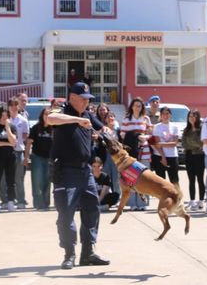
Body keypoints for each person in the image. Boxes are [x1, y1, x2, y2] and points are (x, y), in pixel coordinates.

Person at [47, 81, 110, 270]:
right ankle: (69, 254)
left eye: (88, 99)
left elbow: (101, 128)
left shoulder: (88, 114)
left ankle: (88, 253)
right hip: (65, 171)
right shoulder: (62, 110)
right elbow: (50, 119)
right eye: (82, 99)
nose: (86, 103)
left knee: (92, 210)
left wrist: (105, 130)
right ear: (72, 98)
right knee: (66, 212)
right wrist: (76, 120)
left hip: (85, 172)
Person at [120, 97, 152, 210]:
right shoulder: (126, 119)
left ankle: (143, 203)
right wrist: (136, 136)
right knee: (132, 177)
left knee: (145, 178)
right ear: (131, 106)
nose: (137, 107)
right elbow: (122, 135)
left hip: (145, 151)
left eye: (139, 106)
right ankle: (132, 203)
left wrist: (145, 137)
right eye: (135, 105)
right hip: (131, 151)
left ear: (142, 107)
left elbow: (151, 134)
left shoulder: (146, 119)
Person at [25, 107, 53, 210]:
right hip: (37, 157)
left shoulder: (54, 128)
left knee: (47, 181)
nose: (47, 116)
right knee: (37, 181)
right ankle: (38, 204)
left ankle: (46, 203)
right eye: (45, 114)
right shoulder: (36, 128)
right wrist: (26, 157)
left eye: (49, 114)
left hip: (49, 158)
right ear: (42, 116)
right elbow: (28, 143)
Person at [5, 97, 30, 209]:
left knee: (18, 178)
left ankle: (20, 200)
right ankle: (5, 200)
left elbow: (25, 136)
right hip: (6, 151)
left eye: (16, 105)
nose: (14, 108)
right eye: (11, 105)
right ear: (8, 107)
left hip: (19, 151)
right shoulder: (6, 120)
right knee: (4, 178)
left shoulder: (23, 120)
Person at [182, 110, 205, 211]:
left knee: (200, 179)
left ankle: (201, 201)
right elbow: (184, 144)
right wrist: (196, 145)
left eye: (194, 116)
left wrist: (193, 144)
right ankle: (192, 201)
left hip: (199, 157)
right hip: (189, 156)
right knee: (191, 179)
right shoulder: (186, 130)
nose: (192, 118)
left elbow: (202, 143)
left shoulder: (201, 129)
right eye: (190, 116)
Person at [152, 107, 180, 183]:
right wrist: (163, 157)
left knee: (174, 181)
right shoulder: (156, 127)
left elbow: (174, 143)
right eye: (163, 114)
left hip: (172, 156)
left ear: (170, 115)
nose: (165, 115)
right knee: (161, 183)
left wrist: (162, 144)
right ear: (161, 115)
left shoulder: (175, 127)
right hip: (159, 156)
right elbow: (157, 145)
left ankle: (176, 195)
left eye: (167, 113)